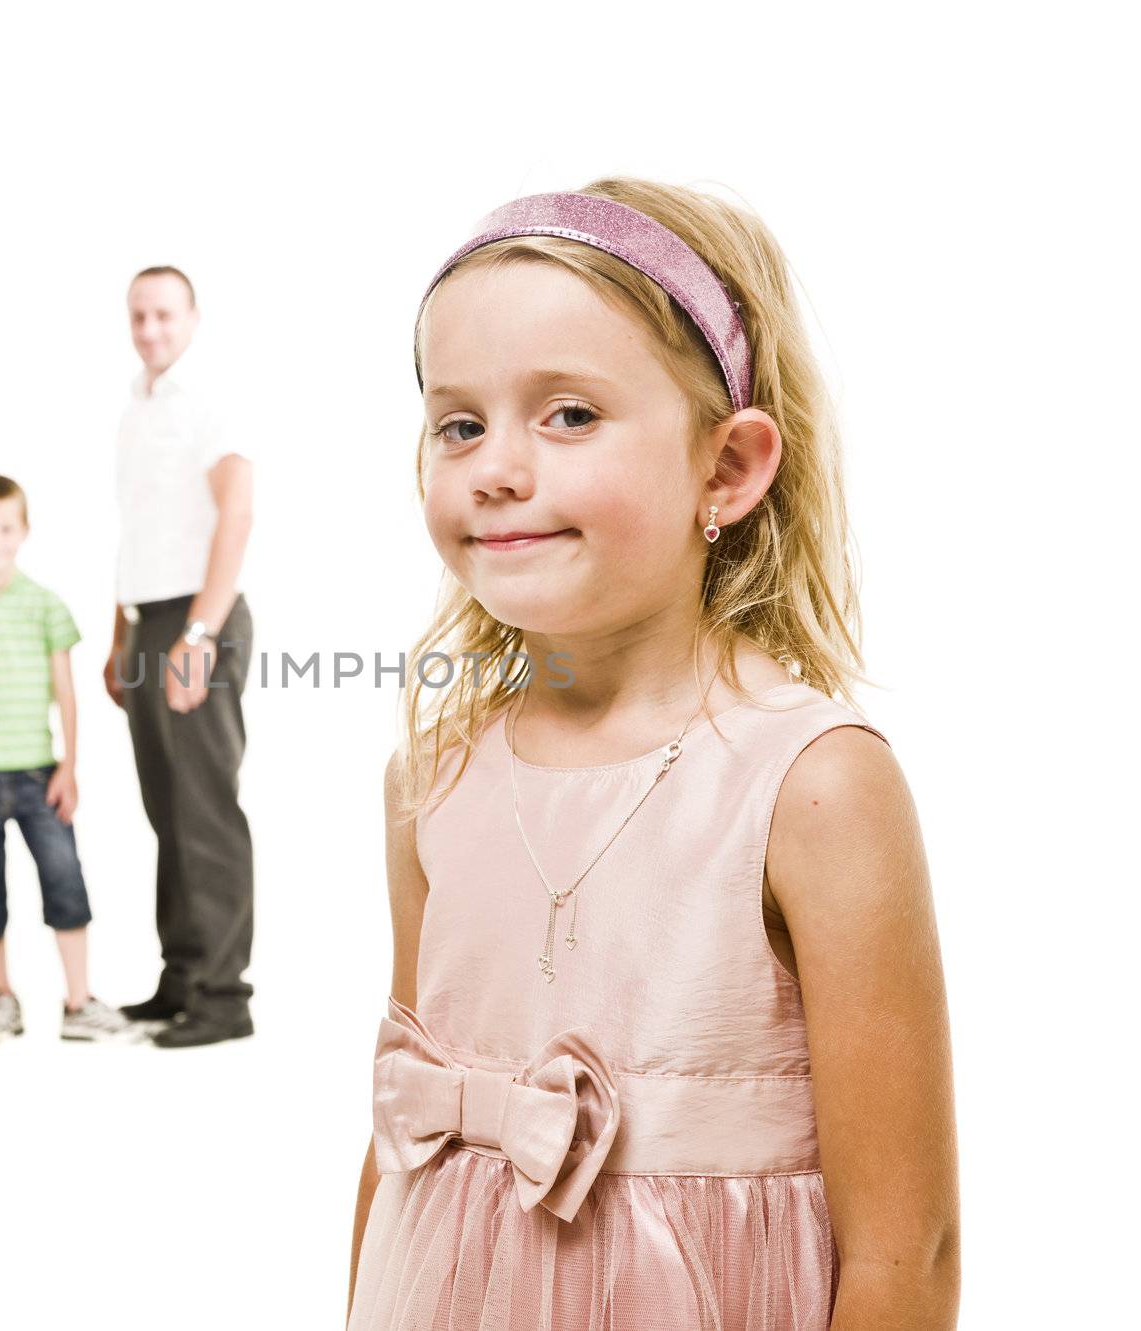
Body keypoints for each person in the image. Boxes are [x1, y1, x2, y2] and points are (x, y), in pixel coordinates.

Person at [347, 183, 960, 1329]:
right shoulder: (430, 779)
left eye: (568, 414)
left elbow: (903, 1251)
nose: (495, 467)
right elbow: (400, 1147)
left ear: (725, 471)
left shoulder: (811, 784)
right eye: (458, 423)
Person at [103, 265, 256, 1049]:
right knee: (167, 811)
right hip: (149, 619)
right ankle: (184, 977)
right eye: (139, 315)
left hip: (200, 620)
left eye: (164, 313)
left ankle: (225, 997)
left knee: (206, 811)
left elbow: (238, 508)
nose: (151, 328)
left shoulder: (207, 400)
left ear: (192, 317)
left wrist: (198, 635)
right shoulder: (138, 405)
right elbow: (140, 526)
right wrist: (121, 630)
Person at [0, 475, 131, 1044]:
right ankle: (2, 999)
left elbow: (66, 693)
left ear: (24, 532)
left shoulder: (45, 605)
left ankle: (77, 1002)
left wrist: (69, 767)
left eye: (6, 529)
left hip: (39, 774)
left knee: (65, 882)